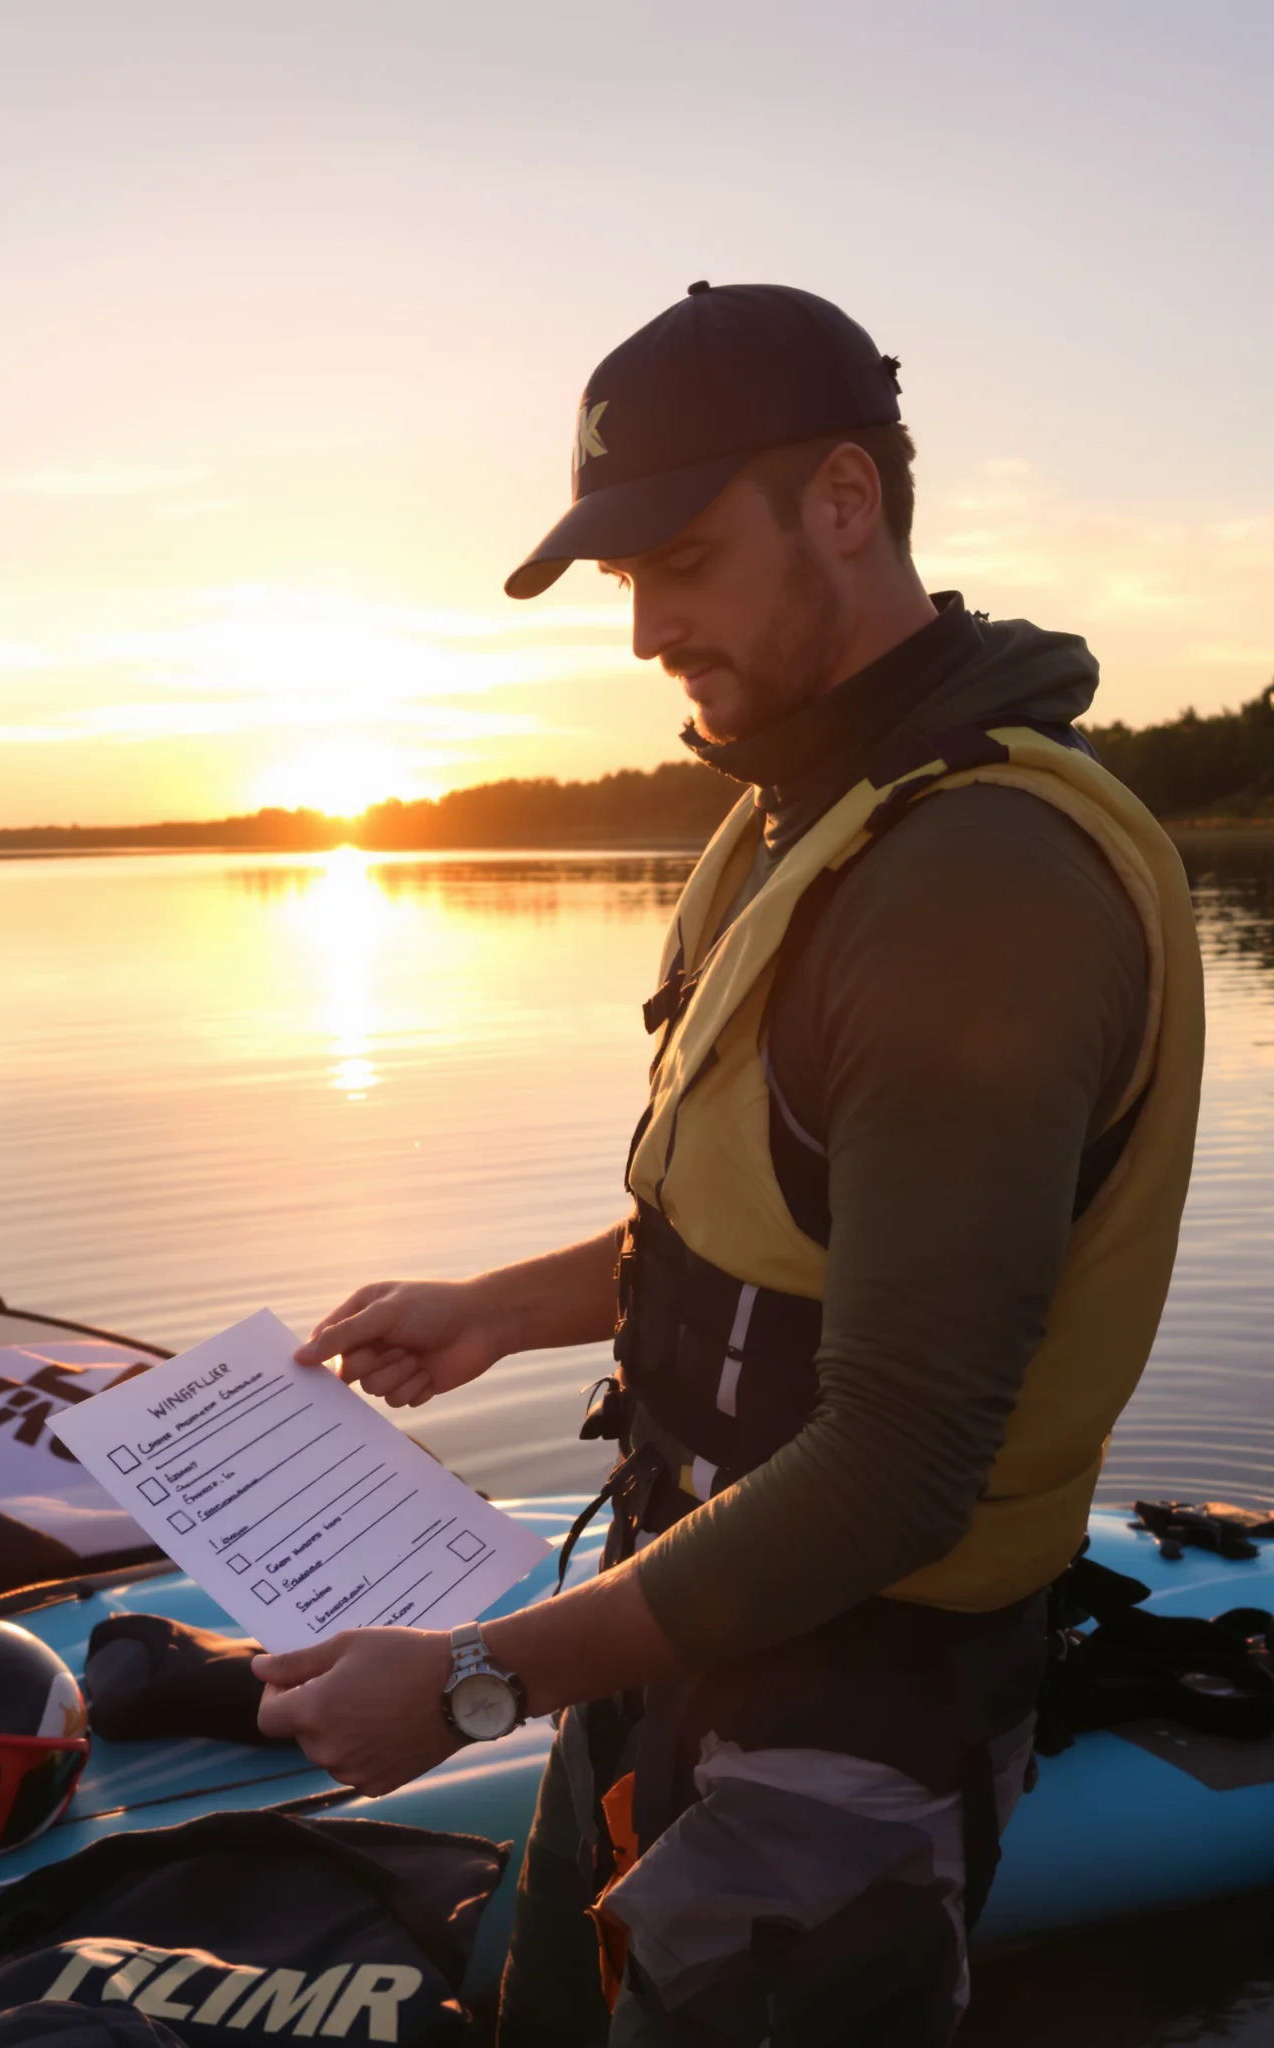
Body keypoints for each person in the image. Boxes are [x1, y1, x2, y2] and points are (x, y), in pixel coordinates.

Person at [250, 282, 1205, 2044]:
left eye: (680, 561)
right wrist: (498, 1309)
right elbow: (759, 1231)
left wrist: (470, 1685)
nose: (644, 632)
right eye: (627, 578)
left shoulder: (979, 882)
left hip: (850, 1718)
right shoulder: (789, 824)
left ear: (844, 500)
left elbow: (904, 1464)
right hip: (675, 1626)